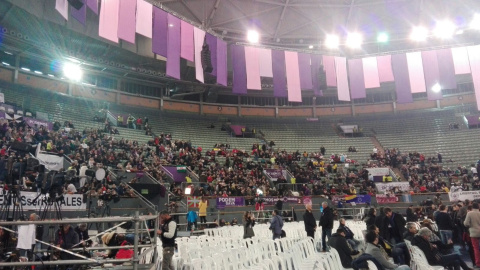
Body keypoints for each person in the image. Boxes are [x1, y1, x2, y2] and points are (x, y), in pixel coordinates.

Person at [464, 202, 480, 268]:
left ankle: (478, 263)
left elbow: (466, 224)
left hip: (474, 233)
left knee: (476, 249)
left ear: (472, 207)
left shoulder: (469, 213)